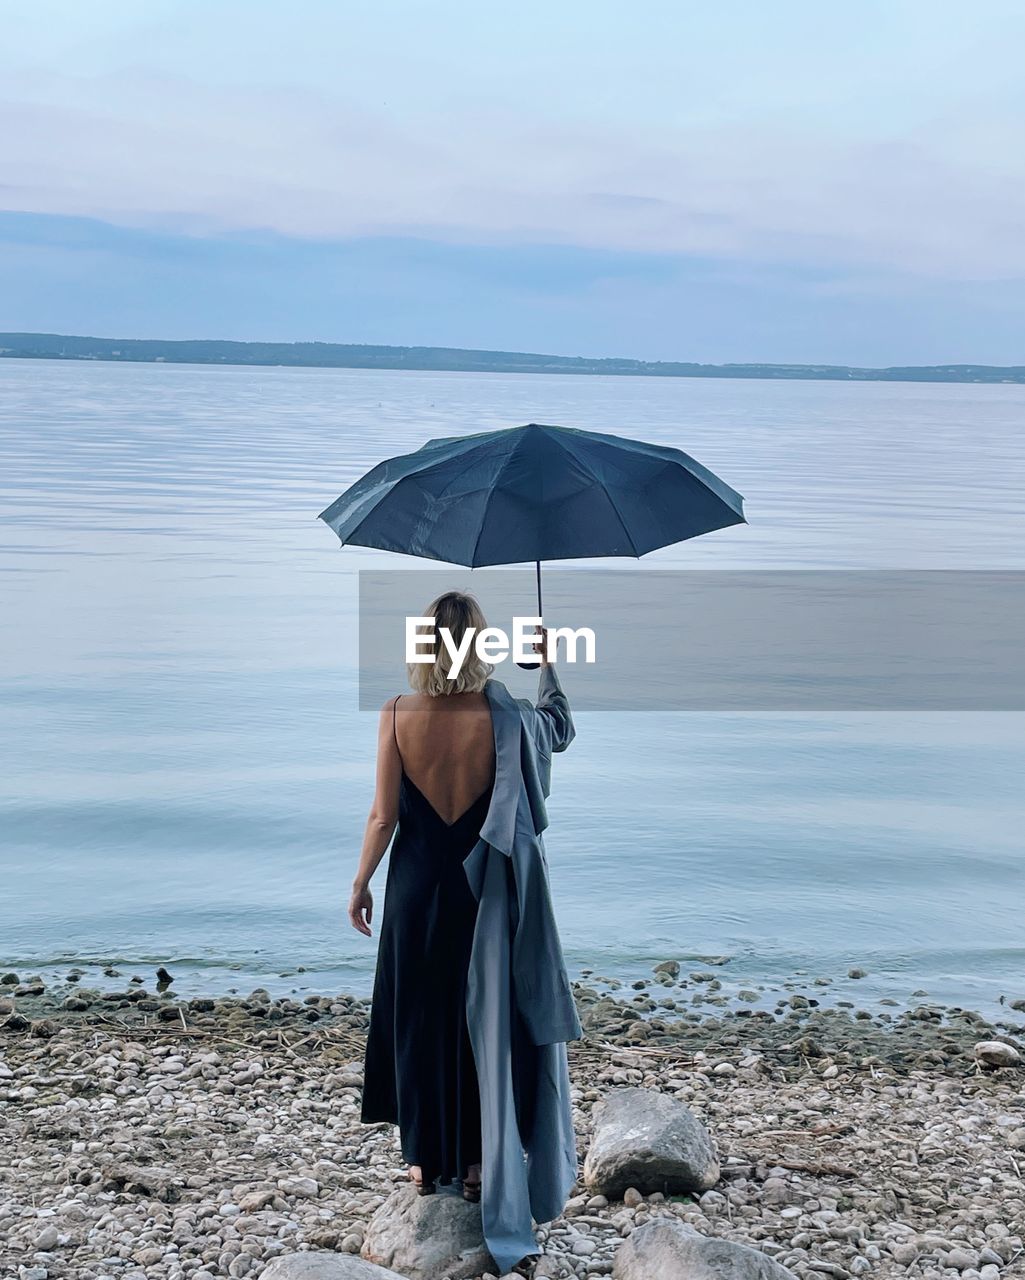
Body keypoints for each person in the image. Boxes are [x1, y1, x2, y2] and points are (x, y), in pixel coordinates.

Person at [349, 590, 581, 1273]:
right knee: (485, 1021)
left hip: (418, 892)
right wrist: (547, 665)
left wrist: (361, 882)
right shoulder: (503, 718)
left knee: (420, 1017)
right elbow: (558, 729)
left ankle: (425, 1162)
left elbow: (384, 817)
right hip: (487, 894)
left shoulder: (396, 713)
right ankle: (480, 1163)